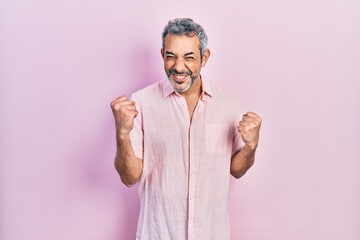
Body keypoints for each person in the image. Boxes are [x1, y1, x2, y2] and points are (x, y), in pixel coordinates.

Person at [110, 18, 262, 240]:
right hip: (158, 234)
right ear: (162, 54)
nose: (179, 67)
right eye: (171, 56)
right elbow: (129, 177)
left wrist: (251, 146)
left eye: (189, 57)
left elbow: (236, 169)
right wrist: (122, 133)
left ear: (205, 57)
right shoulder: (141, 102)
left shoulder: (228, 103)